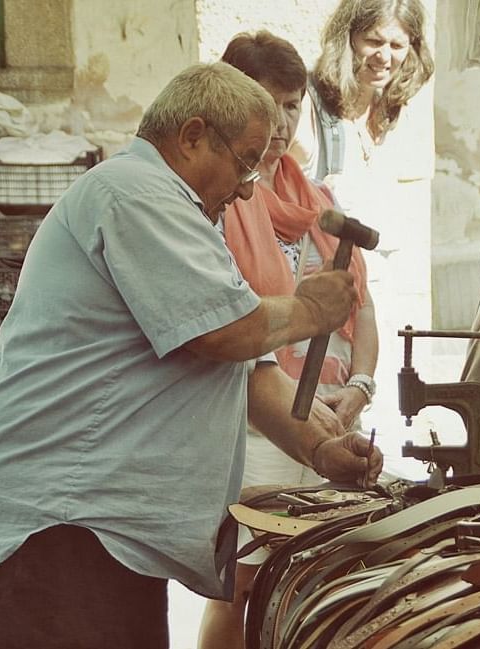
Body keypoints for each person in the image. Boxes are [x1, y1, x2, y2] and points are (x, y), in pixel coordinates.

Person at [0, 62, 383, 649]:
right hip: (58, 526)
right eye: (245, 163)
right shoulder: (135, 193)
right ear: (192, 136)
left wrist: (321, 447)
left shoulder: (185, 218)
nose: (247, 188)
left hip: (101, 536)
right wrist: (310, 310)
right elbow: (227, 334)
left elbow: (247, 370)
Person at [197, 31, 379, 649]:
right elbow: (228, 325)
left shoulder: (319, 201)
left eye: (292, 105)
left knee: (320, 579)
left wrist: (360, 385)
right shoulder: (218, 203)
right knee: (241, 583)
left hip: (331, 414)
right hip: (254, 422)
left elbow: (361, 307)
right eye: (266, 104)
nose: (280, 122)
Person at [292, 0, 436, 449]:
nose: (385, 56)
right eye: (373, 41)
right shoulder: (312, 112)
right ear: (347, 38)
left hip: (376, 313)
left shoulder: (387, 110)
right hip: (323, 320)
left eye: (398, 44)